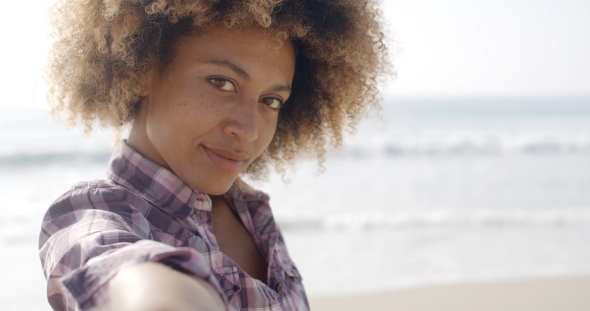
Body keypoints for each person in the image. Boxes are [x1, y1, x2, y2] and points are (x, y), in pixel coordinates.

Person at [38, 0, 389, 310]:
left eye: (271, 101)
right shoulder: (90, 215)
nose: (249, 129)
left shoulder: (251, 214)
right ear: (141, 69)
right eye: (222, 83)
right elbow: (134, 282)